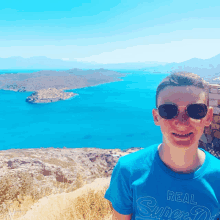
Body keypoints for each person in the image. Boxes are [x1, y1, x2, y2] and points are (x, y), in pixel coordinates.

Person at [104, 72, 220, 220]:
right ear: (156, 117)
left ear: (208, 117)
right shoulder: (128, 170)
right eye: (169, 111)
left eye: (195, 110)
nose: (182, 122)